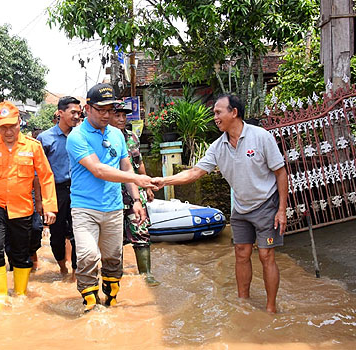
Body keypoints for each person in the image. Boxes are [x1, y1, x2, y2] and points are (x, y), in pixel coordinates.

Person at [154, 94, 288, 313]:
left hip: (266, 204)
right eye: (214, 113)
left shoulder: (261, 137)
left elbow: (281, 172)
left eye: (218, 112)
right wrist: (163, 181)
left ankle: (271, 309)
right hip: (241, 208)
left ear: (234, 112)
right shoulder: (218, 147)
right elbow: (195, 172)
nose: (214, 117)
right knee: (241, 253)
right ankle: (243, 303)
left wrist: (281, 210)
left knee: (266, 255)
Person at [66, 83, 155, 313]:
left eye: (110, 110)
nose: (107, 115)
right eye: (101, 110)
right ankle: (90, 303)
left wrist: (136, 199)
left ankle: (111, 297)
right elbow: (99, 170)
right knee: (87, 255)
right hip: (85, 207)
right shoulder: (77, 136)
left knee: (114, 258)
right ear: (88, 108)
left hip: (114, 207)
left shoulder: (117, 135)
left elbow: (125, 164)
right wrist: (139, 180)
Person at [0, 101, 57, 315]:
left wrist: (49, 207)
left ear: (20, 123)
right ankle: (0, 296)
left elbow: (46, 177)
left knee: (21, 253)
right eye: (3, 127)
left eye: (12, 126)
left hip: (22, 208)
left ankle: (20, 294)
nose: (8, 131)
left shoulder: (32, 147)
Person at [110, 102, 159, 286]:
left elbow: (138, 163)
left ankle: (146, 274)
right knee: (115, 238)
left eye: (124, 115)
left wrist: (146, 186)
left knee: (141, 230)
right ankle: (116, 276)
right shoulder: (103, 138)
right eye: (118, 115)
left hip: (134, 194)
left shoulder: (132, 137)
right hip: (113, 194)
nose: (122, 119)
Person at [36, 96, 82, 277]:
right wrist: (39, 200)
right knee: (56, 235)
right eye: (73, 112)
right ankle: (63, 268)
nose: (77, 116)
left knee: (79, 233)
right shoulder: (45, 138)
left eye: (79, 113)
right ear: (60, 113)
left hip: (78, 190)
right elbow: (38, 173)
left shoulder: (81, 136)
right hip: (55, 192)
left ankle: (76, 272)